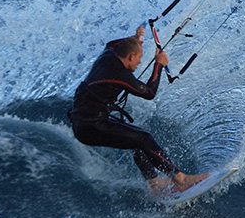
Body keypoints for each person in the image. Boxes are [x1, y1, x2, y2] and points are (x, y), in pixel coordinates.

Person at [68, 26, 209, 195]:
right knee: (143, 138)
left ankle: (154, 183)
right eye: (139, 57)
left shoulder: (108, 55)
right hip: (91, 126)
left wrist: (135, 39)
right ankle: (180, 179)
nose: (140, 62)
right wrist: (158, 64)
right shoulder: (120, 74)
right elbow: (149, 93)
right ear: (131, 56)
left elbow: (112, 44)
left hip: (84, 122)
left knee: (137, 140)